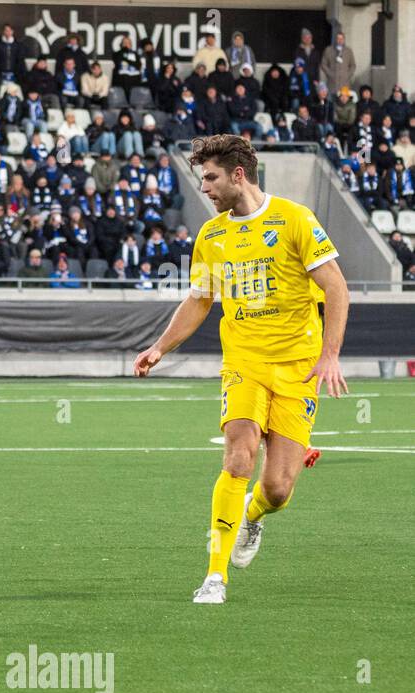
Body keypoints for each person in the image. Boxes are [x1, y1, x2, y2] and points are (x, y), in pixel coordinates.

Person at [133, 135, 350, 604]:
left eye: (210, 177)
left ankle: (254, 514)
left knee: (277, 488)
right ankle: (214, 576)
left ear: (237, 174)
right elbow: (199, 300)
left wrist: (329, 354)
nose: (205, 187)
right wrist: (160, 347)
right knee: (238, 456)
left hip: (298, 369)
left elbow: (335, 288)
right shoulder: (212, 236)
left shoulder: (294, 219)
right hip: (243, 364)